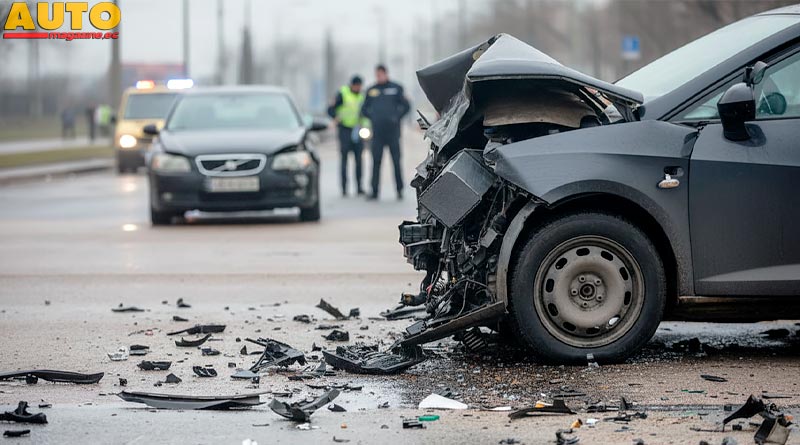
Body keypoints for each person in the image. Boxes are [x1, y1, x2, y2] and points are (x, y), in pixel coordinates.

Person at [361, 65, 410, 201]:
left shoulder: (396, 88)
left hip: (393, 132)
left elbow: (406, 106)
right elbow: (364, 109)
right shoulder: (371, 90)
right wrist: (373, 118)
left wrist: (397, 117)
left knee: (396, 161)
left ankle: (399, 190)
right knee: (376, 161)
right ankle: (374, 191)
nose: (379, 77)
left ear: (386, 74)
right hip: (378, 133)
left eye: (381, 74)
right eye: (377, 75)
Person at [327, 75, 367, 196]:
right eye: (357, 86)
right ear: (352, 85)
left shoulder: (362, 96)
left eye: (360, 86)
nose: (358, 88)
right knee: (344, 159)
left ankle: (359, 187)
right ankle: (344, 188)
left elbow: (365, 112)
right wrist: (335, 117)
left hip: (358, 130)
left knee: (359, 160)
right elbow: (330, 109)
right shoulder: (342, 93)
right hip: (344, 130)